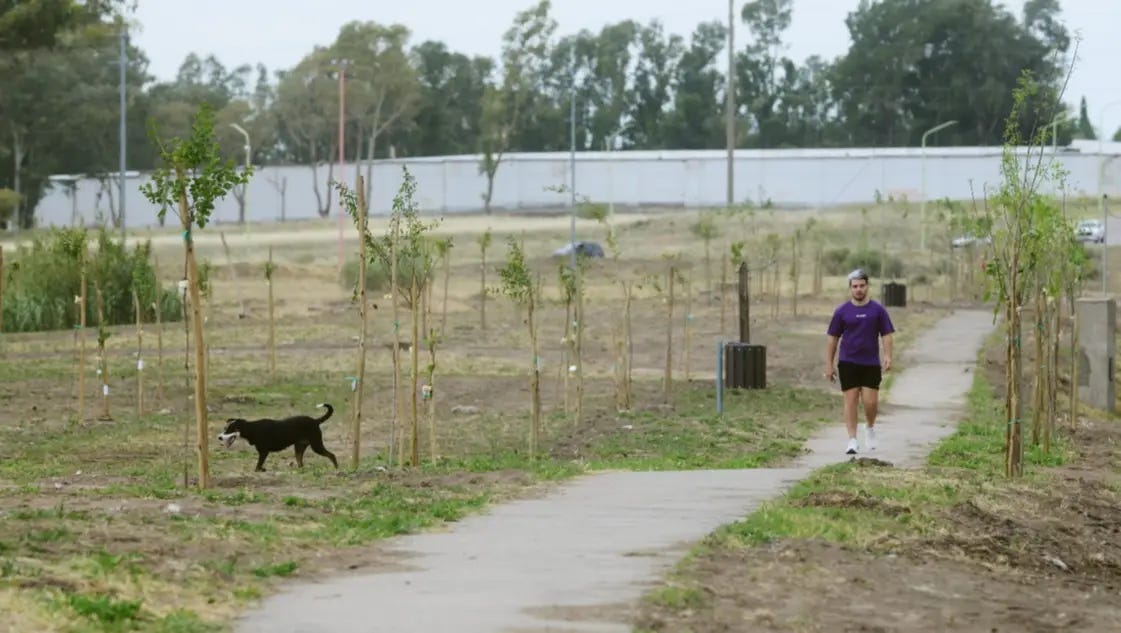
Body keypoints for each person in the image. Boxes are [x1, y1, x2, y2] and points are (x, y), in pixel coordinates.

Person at [824, 269, 894, 455]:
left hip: (870, 362)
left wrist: (887, 355)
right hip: (848, 361)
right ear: (850, 289)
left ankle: (869, 427)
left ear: (867, 286)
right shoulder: (841, 312)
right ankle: (852, 440)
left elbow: (886, 334)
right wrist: (829, 364)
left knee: (870, 403)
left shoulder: (878, 310)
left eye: (862, 286)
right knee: (851, 400)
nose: (859, 290)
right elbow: (832, 338)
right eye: (855, 286)